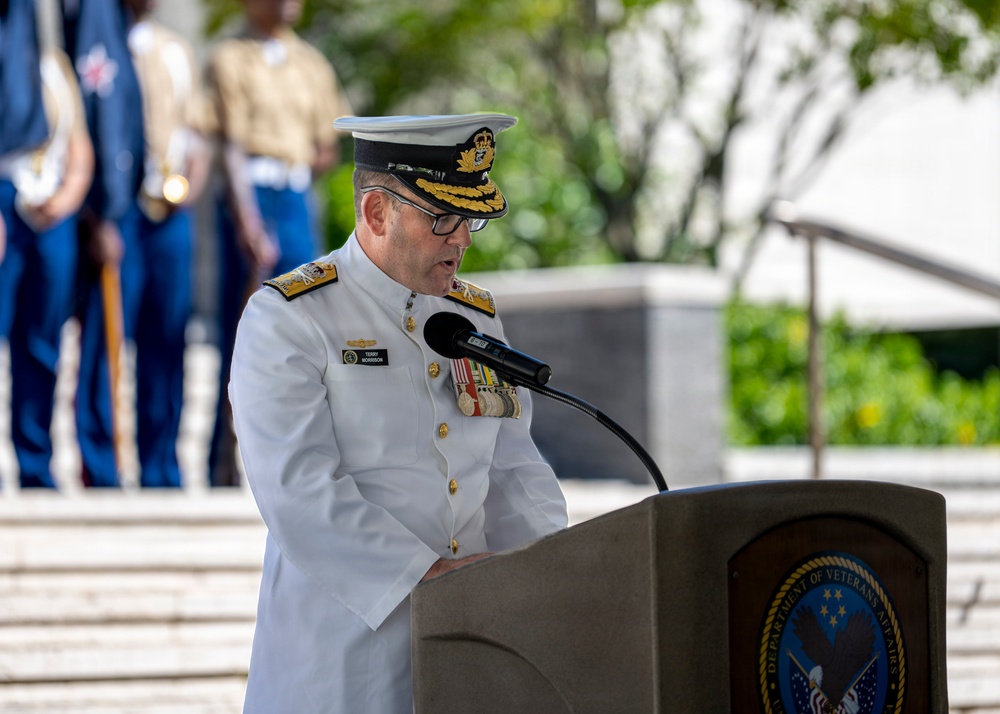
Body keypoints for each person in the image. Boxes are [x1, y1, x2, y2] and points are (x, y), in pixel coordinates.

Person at [229, 114, 568, 712]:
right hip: (344, 660)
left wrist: (552, 575)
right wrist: (432, 577)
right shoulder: (290, 317)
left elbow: (514, 469)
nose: (463, 239)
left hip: (474, 650)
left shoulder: (476, 318)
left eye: (472, 219)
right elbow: (299, 490)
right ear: (378, 214)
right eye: (443, 218)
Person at [203, 0, 352, 487]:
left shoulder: (311, 61)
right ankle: (223, 460)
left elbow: (328, 143)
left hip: (294, 197)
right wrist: (247, 216)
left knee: (304, 331)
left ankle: (296, 462)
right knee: (243, 328)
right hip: (252, 194)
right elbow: (228, 143)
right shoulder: (229, 57)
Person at [0, 0, 94, 489]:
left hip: (51, 209)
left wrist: (68, 196)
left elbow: (78, 141)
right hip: (5, 198)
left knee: (42, 343)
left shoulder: (54, 63)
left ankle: (34, 463)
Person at [120, 0, 209, 487]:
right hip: (122, 208)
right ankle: (104, 462)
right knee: (108, 344)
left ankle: (161, 466)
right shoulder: (105, 44)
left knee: (167, 338)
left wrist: (190, 187)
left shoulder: (176, 49)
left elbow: (195, 133)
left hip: (171, 210)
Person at [62, 0, 146, 488]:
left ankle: (104, 459)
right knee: (95, 340)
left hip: (125, 213)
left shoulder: (120, 25)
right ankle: (97, 461)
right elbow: (102, 118)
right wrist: (104, 213)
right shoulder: (98, 16)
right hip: (99, 214)